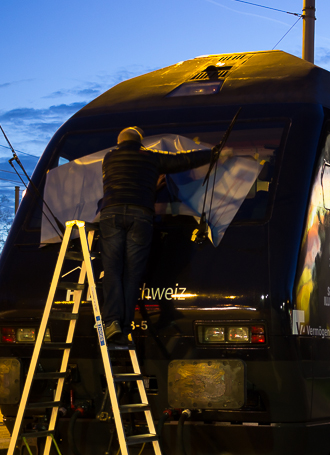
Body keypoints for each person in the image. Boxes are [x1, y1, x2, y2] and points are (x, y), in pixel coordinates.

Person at [99, 126, 231, 343]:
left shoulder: (109, 158)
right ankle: (124, 327)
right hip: (140, 216)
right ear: (140, 143)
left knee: (113, 269)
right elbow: (182, 161)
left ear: (119, 142)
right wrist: (213, 154)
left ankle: (111, 321)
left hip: (111, 214)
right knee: (133, 273)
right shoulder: (151, 157)